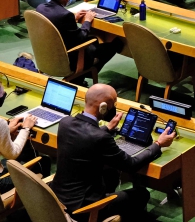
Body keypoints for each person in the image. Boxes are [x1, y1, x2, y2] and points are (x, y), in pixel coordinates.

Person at [52, 83, 175, 221]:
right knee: (141, 194)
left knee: (110, 172)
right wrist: (158, 144)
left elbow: (86, 137)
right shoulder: (100, 138)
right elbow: (131, 164)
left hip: (58, 199)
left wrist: (108, 128)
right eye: (113, 104)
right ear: (103, 107)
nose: (114, 109)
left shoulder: (65, 122)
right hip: (84, 209)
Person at [37, 0, 123, 75]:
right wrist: (87, 21)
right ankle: (82, 75)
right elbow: (81, 37)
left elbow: (56, 24)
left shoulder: (40, 8)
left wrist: (73, 18)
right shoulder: (65, 15)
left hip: (47, 55)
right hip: (68, 58)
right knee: (116, 43)